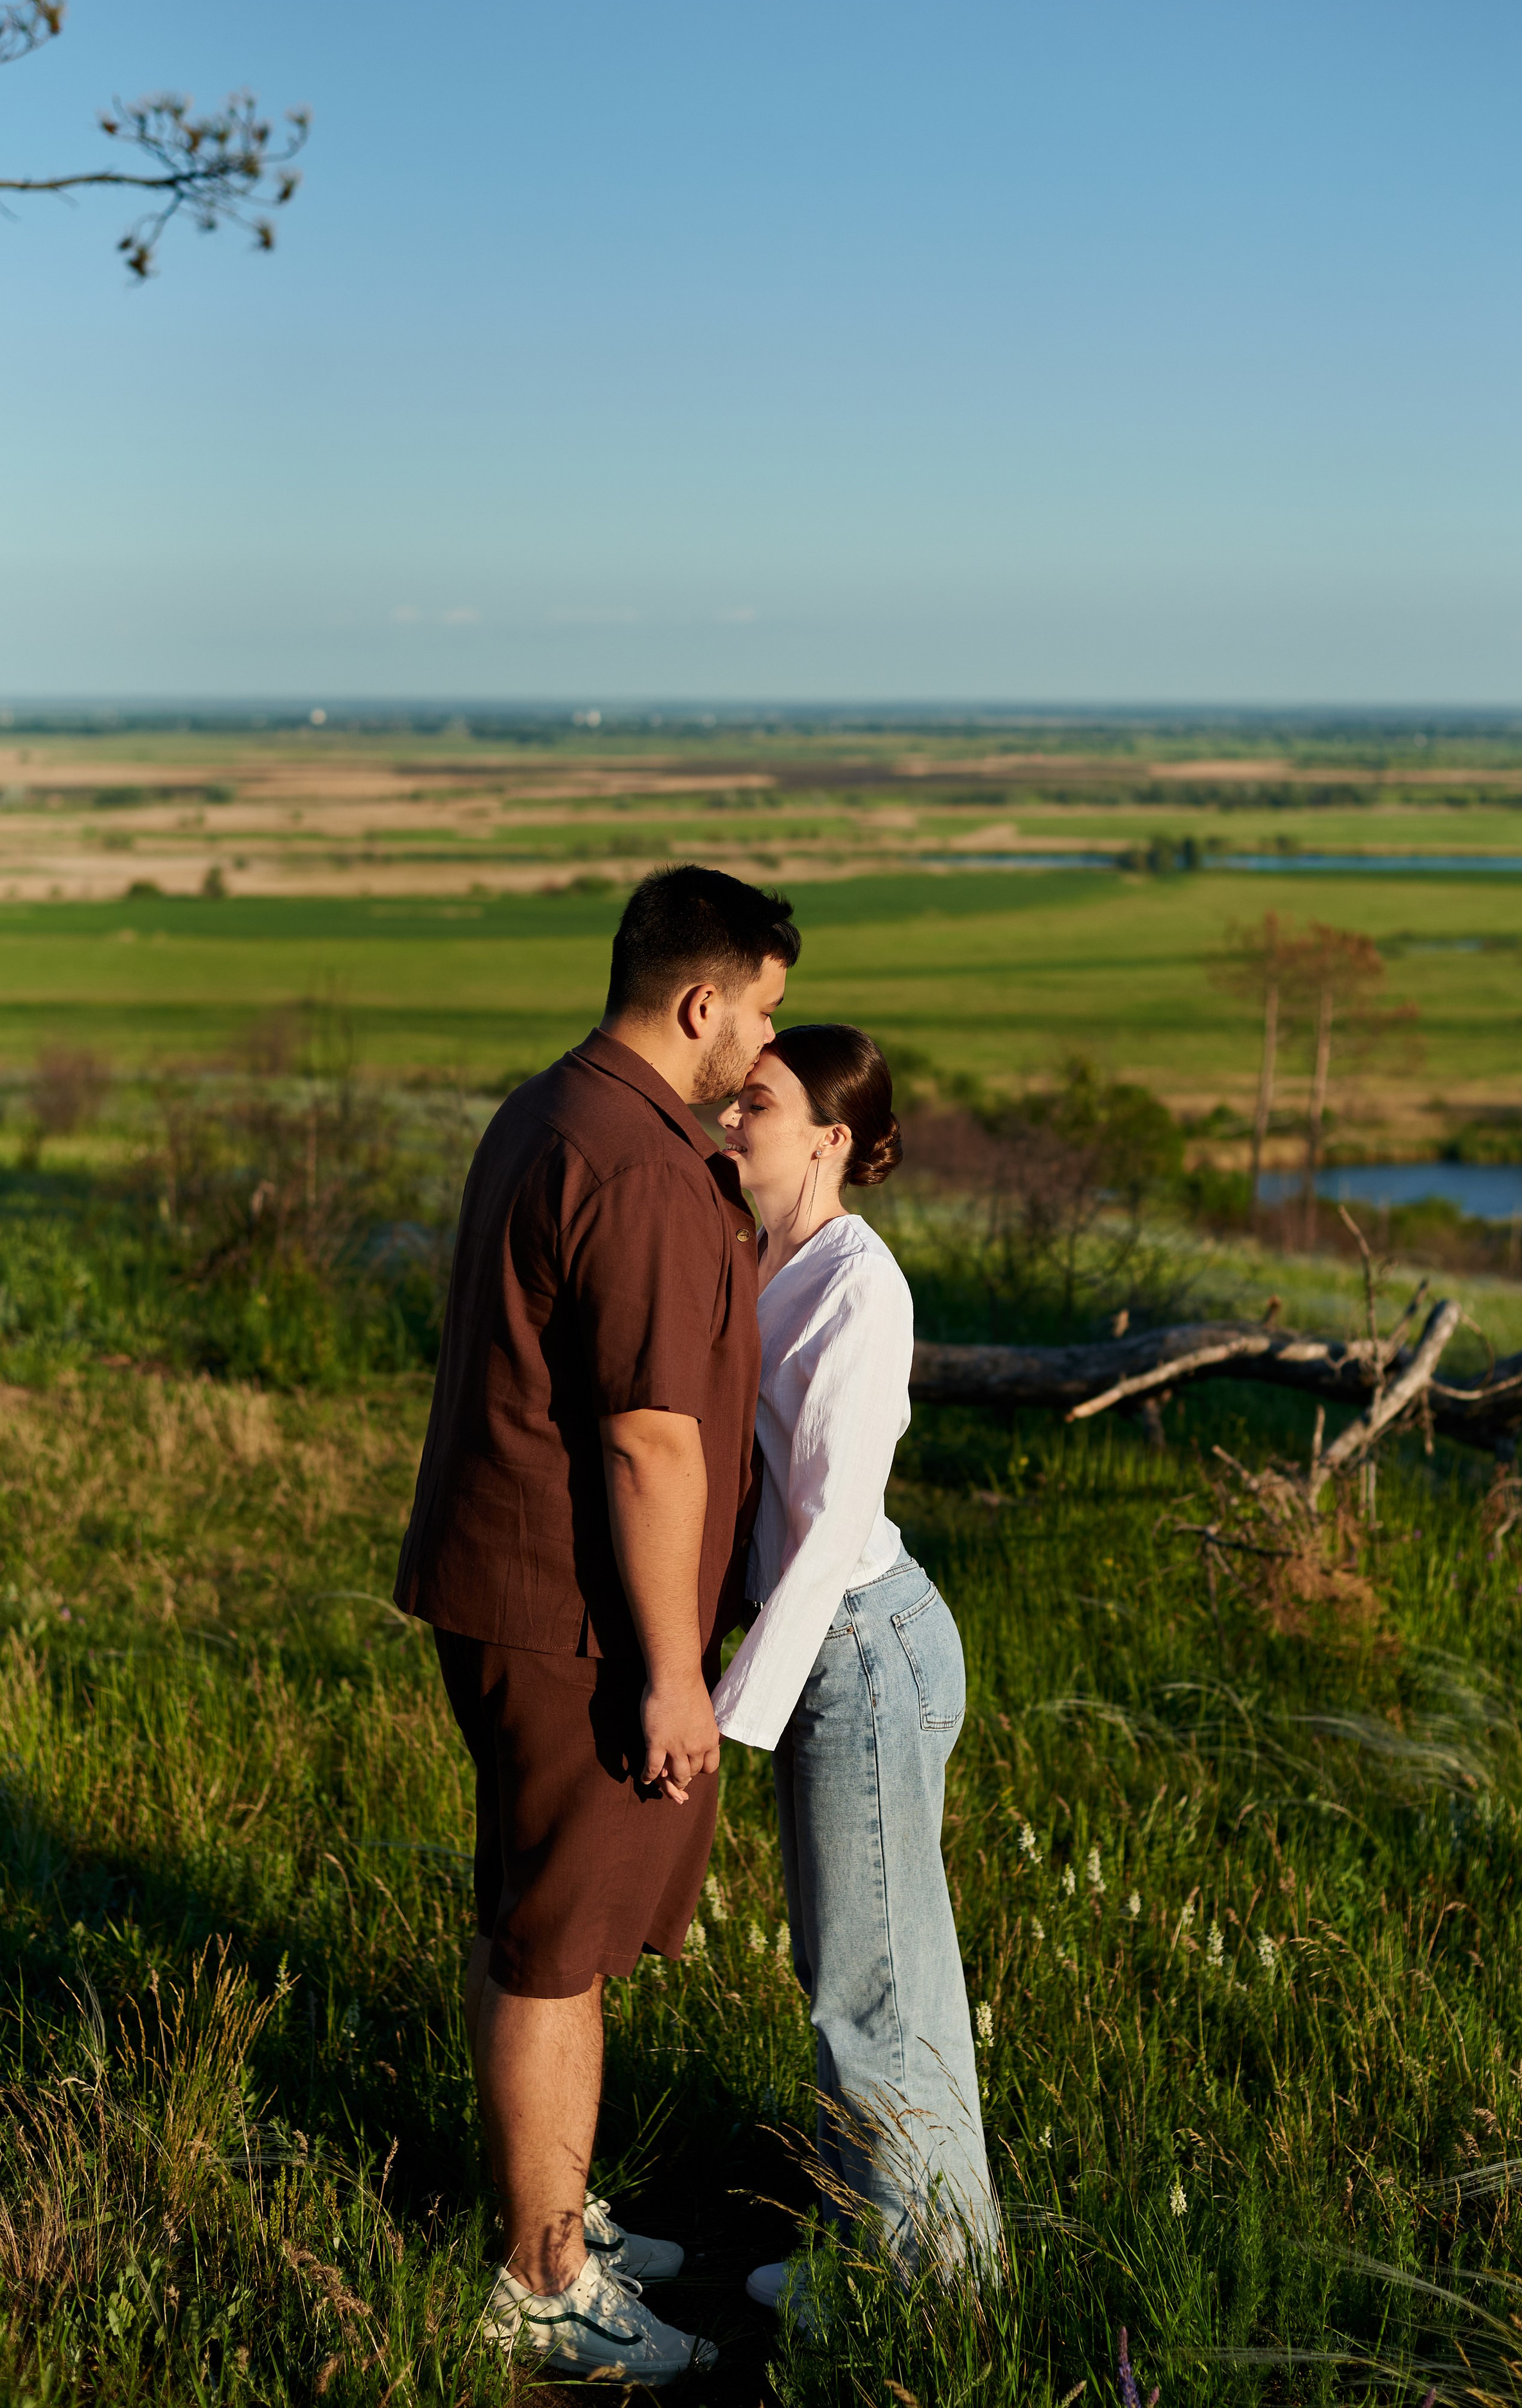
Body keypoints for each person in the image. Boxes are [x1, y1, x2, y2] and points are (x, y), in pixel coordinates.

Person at [394, 864, 800, 2385]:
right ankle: (542, 2280)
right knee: (556, 1944)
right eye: (756, 1012)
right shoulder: (636, 1166)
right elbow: (647, 1444)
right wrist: (667, 1669)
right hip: (570, 1617)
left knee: (533, 1912)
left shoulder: (550, 1107)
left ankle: (554, 2212)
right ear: (697, 999)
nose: (762, 1049)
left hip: (510, 1589)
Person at [712, 1024, 999, 2308]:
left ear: (829, 1137)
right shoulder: (755, 1247)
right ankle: (877, 2248)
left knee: (871, 1990)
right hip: (830, 1630)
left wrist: (733, 1714)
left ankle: (925, 2291)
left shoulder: (855, 1284)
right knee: (860, 1970)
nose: (730, 1120)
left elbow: (828, 1522)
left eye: (755, 1105)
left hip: (856, 1638)